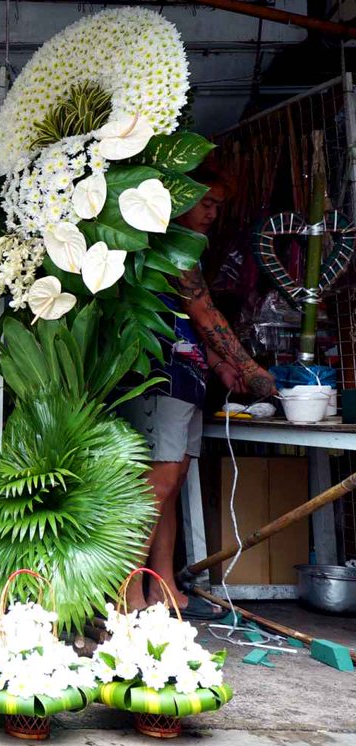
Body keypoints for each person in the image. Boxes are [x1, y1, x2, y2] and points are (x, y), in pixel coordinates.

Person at [117, 166, 276, 618]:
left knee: (172, 480)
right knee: (158, 482)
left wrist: (221, 365)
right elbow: (202, 311)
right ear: (178, 199)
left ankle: (162, 585)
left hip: (188, 376)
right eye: (204, 202)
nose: (211, 213)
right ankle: (126, 592)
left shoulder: (193, 250)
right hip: (158, 374)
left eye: (217, 206)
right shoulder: (166, 245)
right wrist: (250, 368)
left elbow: (192, 323)